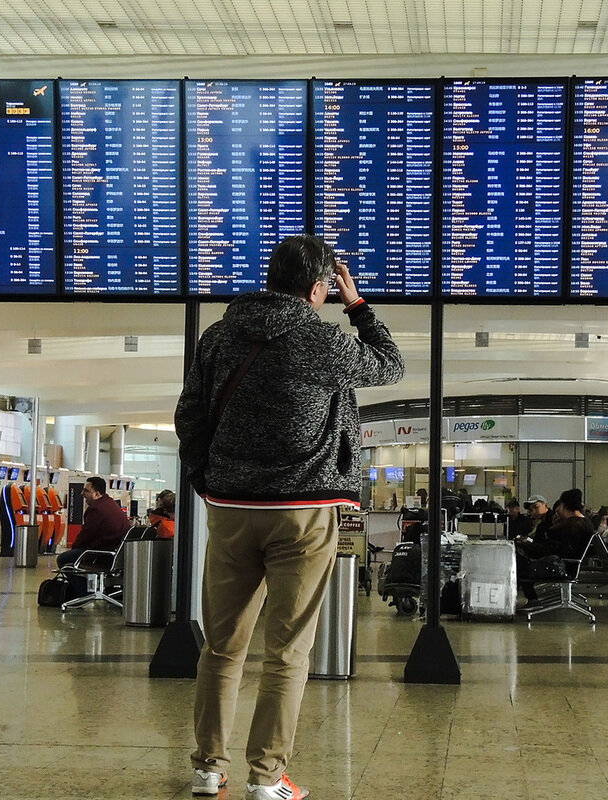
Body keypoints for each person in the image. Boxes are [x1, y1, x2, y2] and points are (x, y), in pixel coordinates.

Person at [175, 235, 404, 800]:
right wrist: (358, 306)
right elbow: (390, 365)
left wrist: (208, 481)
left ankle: (208, 767)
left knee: (221, 645)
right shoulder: (321, 338)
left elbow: (189, 416)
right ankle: (266, 776)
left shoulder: (218, 336)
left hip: (231, 510)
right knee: (286, 650)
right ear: (320, 287)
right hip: (303, 513)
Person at [55, 477, 131, 593]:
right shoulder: (112, 505)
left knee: (64, 559)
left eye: (86, 491)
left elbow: (85, 535)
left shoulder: (96, 509)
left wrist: (74, 548)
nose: (82, 493)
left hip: (103, 555)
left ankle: (83, 592)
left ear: (97, 494)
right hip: (117, 554)